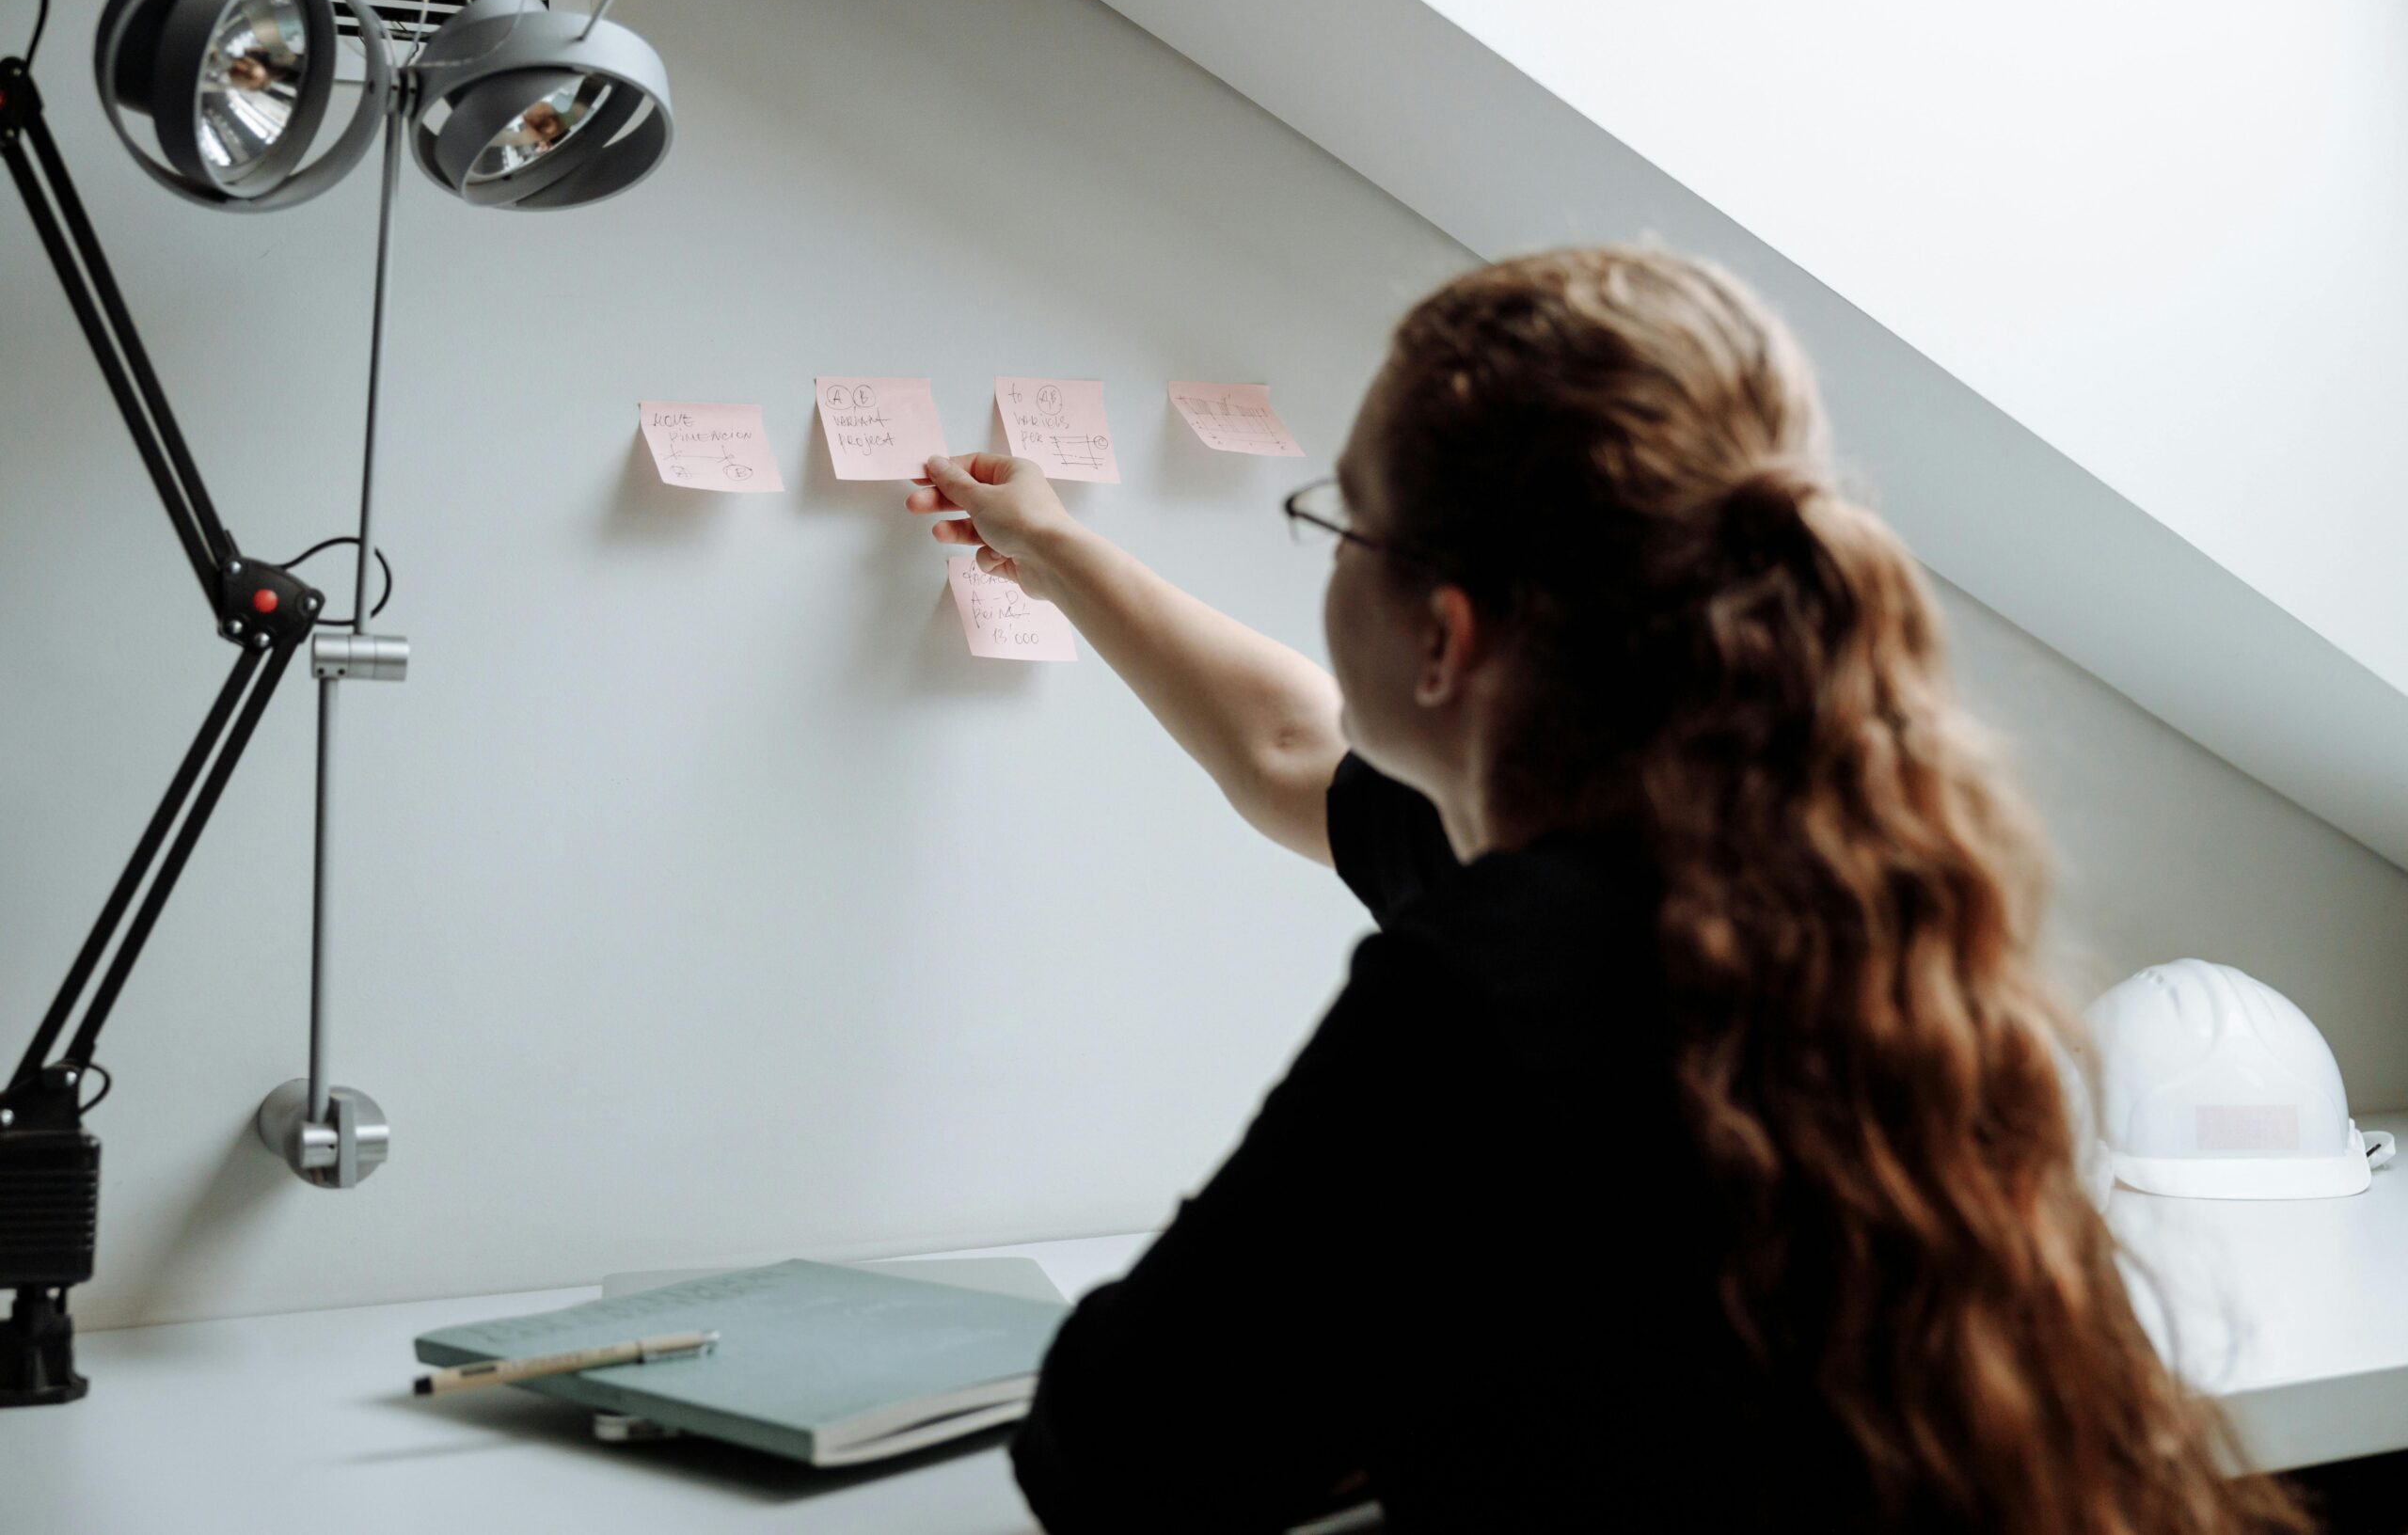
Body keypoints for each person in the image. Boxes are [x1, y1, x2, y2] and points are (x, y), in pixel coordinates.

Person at [905, 247, 2306, 1534]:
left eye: (1345, 521)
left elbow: (1118, 1454)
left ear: (1444, 634)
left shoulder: (1499, 980)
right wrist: (1054, 546)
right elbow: (1291, 750)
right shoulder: (1839, 888)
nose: (1330, 552)